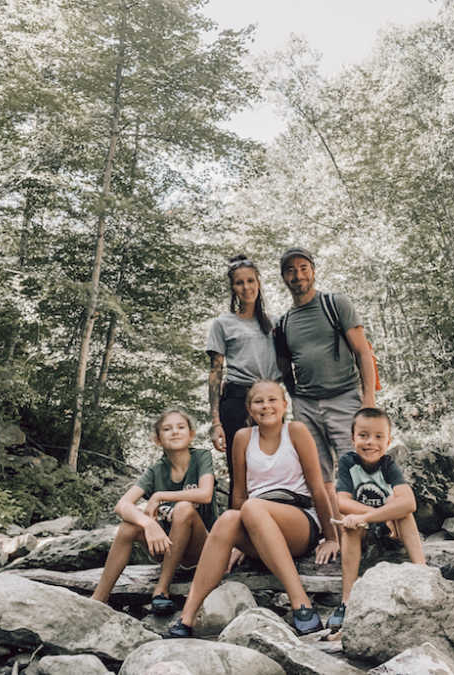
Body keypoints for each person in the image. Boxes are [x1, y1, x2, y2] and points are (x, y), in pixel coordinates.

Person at [167, 380, 340, 638]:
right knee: (228, 518)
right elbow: (239, 492)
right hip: (254, 521)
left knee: (253, 507)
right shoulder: (243, 438)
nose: (266, 406)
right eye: (259, 401)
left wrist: (331, 537)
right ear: (249, 408)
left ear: (284, 404)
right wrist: (237, 544)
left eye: (272, 400)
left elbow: (317, 488)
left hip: (298, 520)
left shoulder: (296, 431)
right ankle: (186, 618)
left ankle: (301, 603)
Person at [276, 247, 377, 521]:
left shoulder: (335, 304)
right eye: (291, 270)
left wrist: (368, 401)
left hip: (344, 397)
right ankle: (333, 530)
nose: (298, 275)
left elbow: (363, 353)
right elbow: (285, 369)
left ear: (313, 271)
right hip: (306, 405)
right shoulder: (283, 323)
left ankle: (367, 526)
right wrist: (296, 401)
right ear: (284, 277)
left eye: (303, 268)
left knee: (355, 464)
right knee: (318, 473)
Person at [91, 409, 217, 616]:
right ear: (157, 440)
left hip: (202, 550)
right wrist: (148, 523)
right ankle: (99, 598)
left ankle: (161, 589)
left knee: (184, 508)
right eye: (167, 429)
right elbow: (122, 505)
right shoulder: (156, 470)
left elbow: (205, 494)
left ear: (191, 434)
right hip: (169, 547)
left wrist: (159, 495)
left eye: (181, 427)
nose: (175, 432)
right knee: (128, 527)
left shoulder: (201, 457)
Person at [327, 407, 426, 630]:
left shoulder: (388, 465)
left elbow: (409, 502)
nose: (370, 442)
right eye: (363, 436)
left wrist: (380, 516)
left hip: (389, 531)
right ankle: (347, 600)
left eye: (378, 436)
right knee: (350, 525)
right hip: (364, 530)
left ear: (388, 440)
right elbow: (341, 502)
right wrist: (377, 517)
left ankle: (423, 572)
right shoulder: (348, 463)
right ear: (353, 439)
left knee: (404, 513)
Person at [206, 254, 281, 502]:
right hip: (237, 401)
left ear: (258, 282)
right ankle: (237, 532)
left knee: (273, 467)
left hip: (270, 401)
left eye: (250, 281)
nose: (246, 287)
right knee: (240, 472)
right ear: (233, 288)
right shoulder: (223, 323)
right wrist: (216, 422)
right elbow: (215, 372)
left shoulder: (274, 324)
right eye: (239, 283)